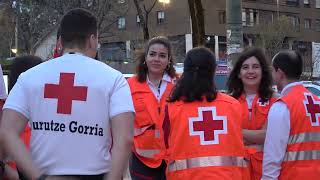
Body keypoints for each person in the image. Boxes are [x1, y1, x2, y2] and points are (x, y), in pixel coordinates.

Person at [0, 8, 135, 180]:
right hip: (94, 174)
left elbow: (7, 131)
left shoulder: (29, 77)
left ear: (60, 41)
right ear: (93, 40)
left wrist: (38, 177)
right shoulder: (114, 79)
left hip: (42, 173)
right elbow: (124, 140)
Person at [165, 47, 247, 179]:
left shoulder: (172, 108)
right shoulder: (233, 106)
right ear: (213, 72)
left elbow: (165, 149)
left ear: (185, 72)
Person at [262, 50, 320, 179]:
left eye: (272, 71)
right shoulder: (317, 102)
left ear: (280, 73)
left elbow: (273, 157)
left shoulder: (282, 106)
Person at [127, 36, 176, 180]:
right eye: (152, 54)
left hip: (172, 158)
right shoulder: (129, 86)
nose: (156, 59)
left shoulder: (178, 86)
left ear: (168, 61)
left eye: (162, 56)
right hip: (141, 160)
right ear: (145, 57)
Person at [227, 47, 276, 180]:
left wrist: (237, 131)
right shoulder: (229, 101)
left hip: (266, 170)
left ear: (263, 71)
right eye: (245, 67)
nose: (250, 71)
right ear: (238, 73)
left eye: (255, 67)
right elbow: (226, 136)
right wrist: (256, 138)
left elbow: (270, 135)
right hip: (237, 170)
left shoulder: (275, 100)